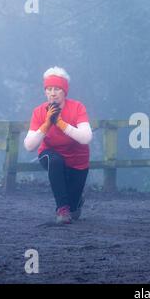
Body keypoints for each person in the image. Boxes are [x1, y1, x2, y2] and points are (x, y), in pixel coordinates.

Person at [24, 66, 93, 224]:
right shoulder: (39, 112)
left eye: (57, 89)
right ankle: (62, 209)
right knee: (55, 161)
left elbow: (86, 138)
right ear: (45, 91)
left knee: (74, 210)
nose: (52, 93)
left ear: (64, 91)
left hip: (77, 161)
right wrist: (47, 124)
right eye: (49, 89)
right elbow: (29, 146)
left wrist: (60, 123)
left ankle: (74, 204)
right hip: (51, 155)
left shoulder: (77, 107)